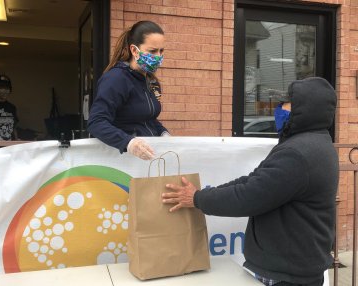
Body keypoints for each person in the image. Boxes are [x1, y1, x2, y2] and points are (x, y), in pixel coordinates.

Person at [162, 77, 338, 286]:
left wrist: (198, 198)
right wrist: (203, 193)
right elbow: (254, 179)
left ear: (304, 110)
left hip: (287, 274)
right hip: (297, 266)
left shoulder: (297, 153)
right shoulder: (317, 143)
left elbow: (249, 196)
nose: (280, 107)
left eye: (286, 103)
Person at [87, 20, 169, 160]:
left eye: (161, 51)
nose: (158, 56)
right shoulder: (116, 79)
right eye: (152, 51)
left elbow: (148, 118)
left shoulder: (152, 81)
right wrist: (128, 142)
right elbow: (97, 122)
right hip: (123, 160)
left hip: (147, 157)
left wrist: (163, 133)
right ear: (134, 50)